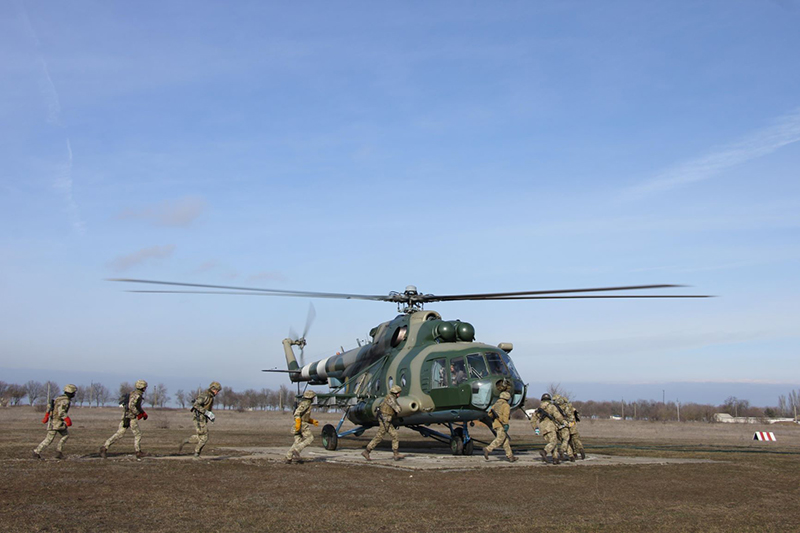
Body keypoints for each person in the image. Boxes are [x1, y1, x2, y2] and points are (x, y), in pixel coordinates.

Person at [100, 380, 148, 459]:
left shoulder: (133, 394)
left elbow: (136, 406)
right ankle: (138, 452)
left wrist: (142, 412)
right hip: (130, 418)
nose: (145, 388)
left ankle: (104, 447)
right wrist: (139, 413)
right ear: (142, 387)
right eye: (145, 387)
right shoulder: (136, 395)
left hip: (126, 417)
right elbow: (131, 406)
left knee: (119, 434)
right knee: (138, 434)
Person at [33, 384, 77, 460]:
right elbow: (61, 412)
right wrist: (67, 419)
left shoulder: (59, 398)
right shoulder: (65, 401)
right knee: (50, 439)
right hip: (57, 422)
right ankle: (37, 452)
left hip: (54, 421)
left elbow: (50, 407)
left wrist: (46, 416)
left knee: (62, 436)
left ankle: (58, 452)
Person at [179, 381, 221, 458]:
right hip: (199, 418)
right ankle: (196, 454)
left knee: (201, 437)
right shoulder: (205, 396)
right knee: (204, 437)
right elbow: (195, 405)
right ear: (212, 389)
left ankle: (187, 440)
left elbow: (206, 408)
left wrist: (209, 416)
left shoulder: (210, 397)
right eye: (216, 390)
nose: (217, 392)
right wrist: (206, 413)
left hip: (203, 418)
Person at [362, 385, 404, 461]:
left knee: (395, 435)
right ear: (395, 393)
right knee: (379, 437)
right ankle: (367, 451)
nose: (399, 394)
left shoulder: (390, 398)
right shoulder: (391, 399)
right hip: (385, 420)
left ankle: (396, 454)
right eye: (398, 393)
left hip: (386, 420)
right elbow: (398, 409)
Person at [534, 393, 573, 464]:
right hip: (551, 427)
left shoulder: (538, 409)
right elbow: (557, 416)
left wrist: (536, 428)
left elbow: (533, 420)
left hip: (543, 428)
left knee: (552, 443)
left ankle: (555, 459)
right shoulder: (551, 407)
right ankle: (545, 451)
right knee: (553, 442)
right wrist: (563, 422)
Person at [285, 390, 319, 464]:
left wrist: (312, 421)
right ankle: (297, 450)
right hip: (302, 425)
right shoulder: (306, 404)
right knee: (310, 438)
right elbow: (297, 414)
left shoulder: (305, 404)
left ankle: (289, 457)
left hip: (299, 424)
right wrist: (298, 423)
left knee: (298, 441)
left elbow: (304, 416)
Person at [483, 391, 517, 462]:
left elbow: (489, 414)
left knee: (505, 441)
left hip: (496, 424)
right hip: (501, 425)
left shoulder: (496, 404)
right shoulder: (506, 405)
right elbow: (506, 416)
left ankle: (510, 456)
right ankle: (488, 449)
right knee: (500, 439)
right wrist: (506, 424)